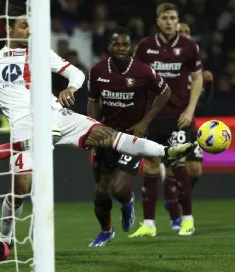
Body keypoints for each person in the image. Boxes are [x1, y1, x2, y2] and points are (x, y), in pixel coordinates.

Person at [0, 6, 196, 247]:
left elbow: (76, 73)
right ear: (10, 29)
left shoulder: (42, 52)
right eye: (24, 26)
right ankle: (6, 236)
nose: (30, 30)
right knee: (21, 188)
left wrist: (70, 89)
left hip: (57, 115)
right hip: (24, 125)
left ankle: (166, 151)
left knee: (108, 135)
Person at [87, 27, 171, 247]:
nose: (121, 48)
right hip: (106, 136)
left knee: (118, 188)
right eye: (117, 44)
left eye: (125, 44)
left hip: (133, 137)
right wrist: (92, 127)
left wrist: (145, 121)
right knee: (101, 194)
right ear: (109, 46)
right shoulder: (97, 71)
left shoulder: (143, 71)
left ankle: (128, 202)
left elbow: (165, 92)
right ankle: (106, 231)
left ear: (131, 47)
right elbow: (93, 100)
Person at [130, 2, 203, 237]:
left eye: (173, 18)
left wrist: (190, 111)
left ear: (177, 20)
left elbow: (198, 79)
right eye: (165, 18)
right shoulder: (145, 47)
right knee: (150, 165)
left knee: (179, 167)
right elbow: (138, 79)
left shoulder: (189, 46)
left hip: (178, 117)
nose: (169, 22)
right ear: (158, 20)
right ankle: (149, 224)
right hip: (153, 117)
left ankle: (187, 219)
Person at [161, 22, 214, 226]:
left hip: (190, 122)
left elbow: (203, 100)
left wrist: (207, 84)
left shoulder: (194, 64)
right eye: (180, 31)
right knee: (176, 168)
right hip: (169, 121)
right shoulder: (167, 62)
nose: (184, 34)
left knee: (196, 171)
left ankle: (176, 195)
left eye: (187, 31)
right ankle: (174, 209)